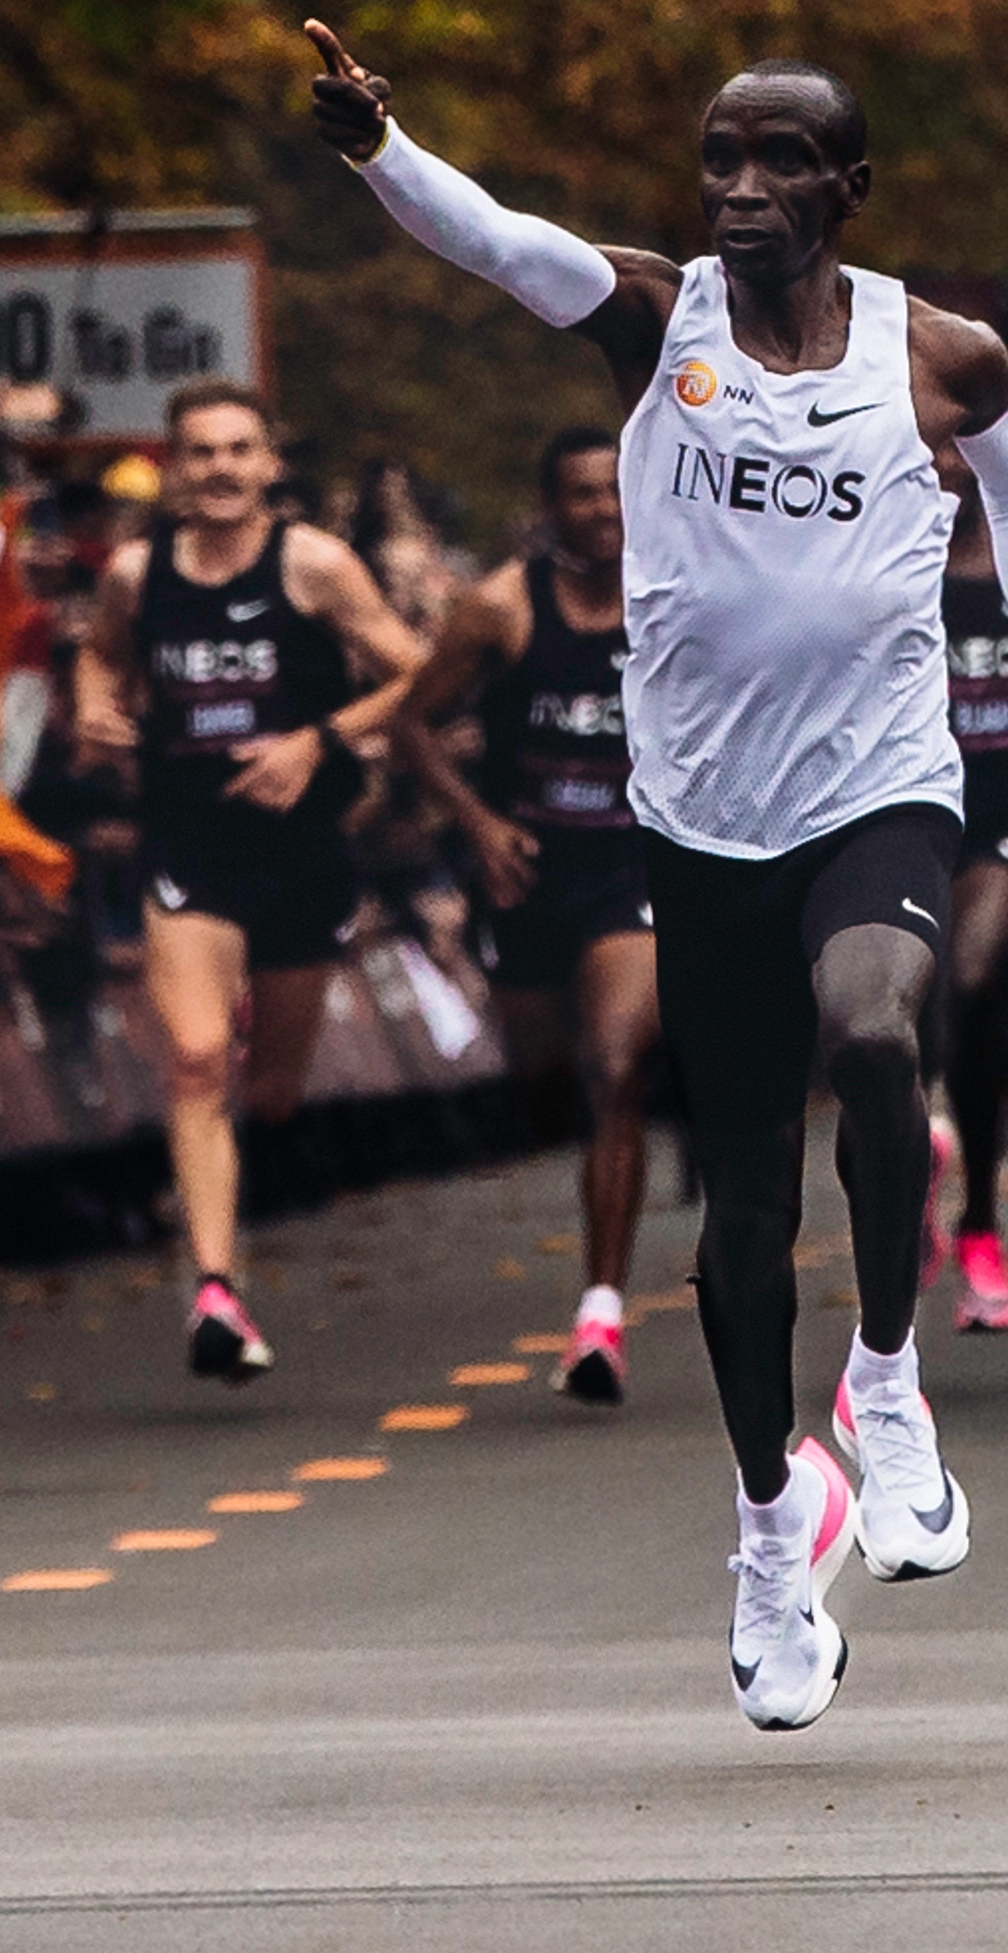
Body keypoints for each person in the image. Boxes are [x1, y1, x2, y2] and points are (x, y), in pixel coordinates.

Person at [307, 21, 1008, 1734]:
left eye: (777, 162)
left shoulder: (941, 353)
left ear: (849, 188)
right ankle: (767, 1522)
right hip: (704, 819)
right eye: (719, 160)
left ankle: (885, 1386)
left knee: (880, 1039)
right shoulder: (657, 321)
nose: (739, 189)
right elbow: (496, 239)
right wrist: (380, 145)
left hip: (882, 784)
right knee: (741, 1213)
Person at [75, 382, 428, 1387]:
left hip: (300, 857)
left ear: (270, 463)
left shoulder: (313, 563)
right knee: (193, 1057)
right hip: (189, 843)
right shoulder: (138, 575)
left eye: (240, 450)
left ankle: (235, 1155)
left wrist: (316, 742)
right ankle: (216, 1291)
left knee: (269, 1092)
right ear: (175, 471)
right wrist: (98, 712)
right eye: (201, 452)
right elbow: (98, 666)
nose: (222, 468)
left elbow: (419, 671)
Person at [382, 424, 667, 1405]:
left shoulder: (678, 601)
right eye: (581, 495)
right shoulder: (498, 609)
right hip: (526, 872)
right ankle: (592, 1188)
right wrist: (478, 821)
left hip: (633, 865)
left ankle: (600, 1310)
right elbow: (409, 720)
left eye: (616, 492)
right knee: (550, 1085)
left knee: (615, 1068)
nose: (602, 511)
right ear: (550, 508)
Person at [933, 483, 1008, 1332]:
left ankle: (979, 1224)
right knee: (888, 1019)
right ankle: (914, 1170)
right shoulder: (871, 548)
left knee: (968, 985)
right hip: (889, 805)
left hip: (1003, 823)